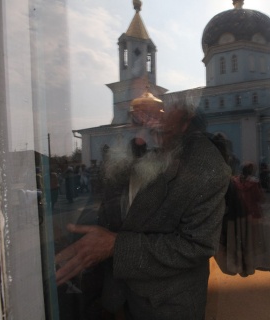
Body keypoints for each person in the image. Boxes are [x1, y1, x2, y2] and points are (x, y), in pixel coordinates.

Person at [54, 92, 231, 319]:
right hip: (118, 296)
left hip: (165, 304)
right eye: (138, 121)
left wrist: (115, 246)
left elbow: (197, 246)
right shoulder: (131, 152)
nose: (140, 138)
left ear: (185, 124)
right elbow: (109, 211)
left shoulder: (207, 168)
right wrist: (69, 234)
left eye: (159, 128)